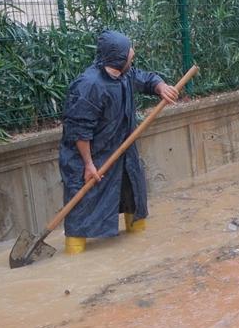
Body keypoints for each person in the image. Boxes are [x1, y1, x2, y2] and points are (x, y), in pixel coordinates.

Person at [58, 29, 179, 254]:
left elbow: (145, 78)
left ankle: (138, 243)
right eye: (128, 54)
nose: (132, 55)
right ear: (117, 59)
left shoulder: (125, 74)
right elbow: (79, 131)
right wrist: (88, 164)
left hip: (123, 153)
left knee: (133, 193)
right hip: (89, 158)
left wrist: (161, 86)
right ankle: (74, 255)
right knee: (81, 211)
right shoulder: (88, 86)